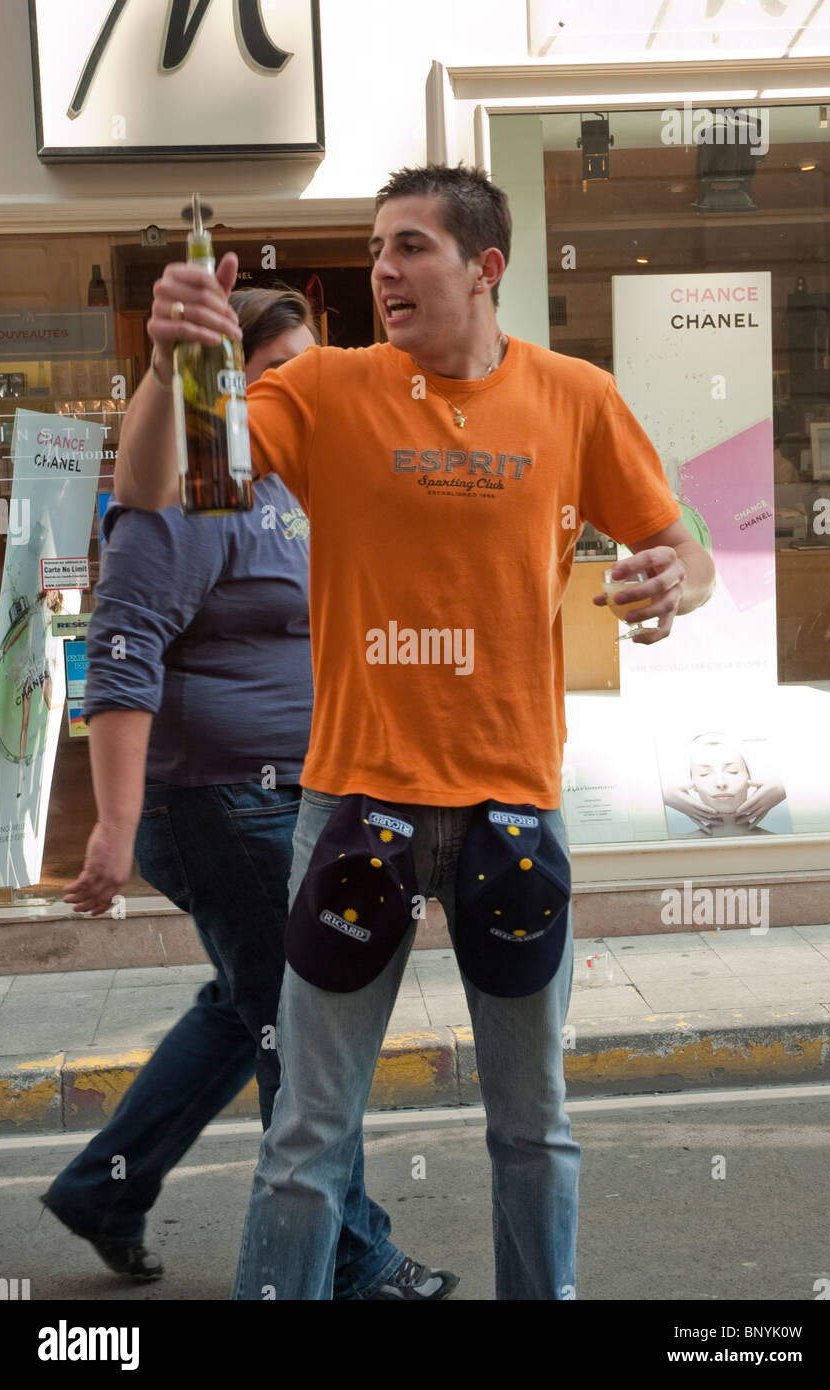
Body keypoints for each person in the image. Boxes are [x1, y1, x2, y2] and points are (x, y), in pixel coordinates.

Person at [114, 163, 716, 1301]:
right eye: (378, 248)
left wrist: (668, 583)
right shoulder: (331, 390)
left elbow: (688, 550)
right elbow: (162, 480)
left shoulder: (575, 397)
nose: (384, 269)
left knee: (534, 1131)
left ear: (485, 267)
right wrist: (167, 368)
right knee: (309, 1139)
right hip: (354, 806)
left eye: (411, 247)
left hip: (514, 809)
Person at [41, 285, 456, 1302]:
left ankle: (105, 1187)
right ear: (228, 388)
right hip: (223, 804)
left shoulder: (289, 490)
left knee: (252, 1009)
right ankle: (355, 1258)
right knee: (307, 1022)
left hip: (293, 797)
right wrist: (115, 822)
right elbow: (126, 649)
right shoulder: (201, 486)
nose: (299, 398)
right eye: (278, 380)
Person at [665, 732, 785, 837]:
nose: (720, 783)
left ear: (749, 779)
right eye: (704, 773)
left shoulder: (785, 845)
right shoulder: (672, 845)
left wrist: (784, 788)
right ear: (693, 785)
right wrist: (664, 795)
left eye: (732, 771)